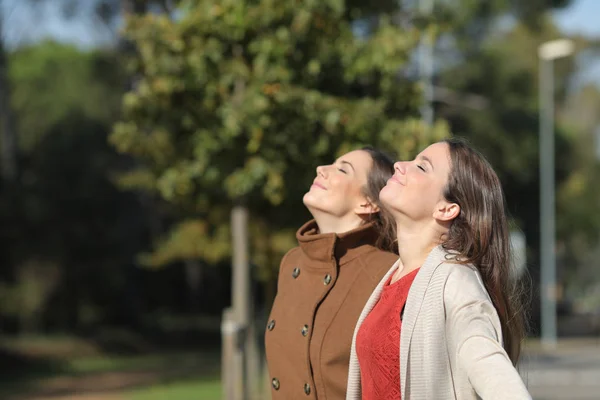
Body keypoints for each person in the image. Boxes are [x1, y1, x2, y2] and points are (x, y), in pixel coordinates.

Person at [347, 138, 531, 400]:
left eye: (422, 167)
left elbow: (492, 370)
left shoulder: (456, 279)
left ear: (446, 209)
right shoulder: (393, 277)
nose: (399, 165)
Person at [265, 147, 400, 400]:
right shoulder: (291, 264)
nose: (321, 169)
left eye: (342, 169)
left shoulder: (389, 273)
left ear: (368, 203)